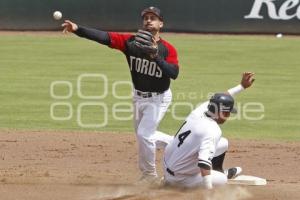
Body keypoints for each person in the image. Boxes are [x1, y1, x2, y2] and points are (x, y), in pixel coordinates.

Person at [61, 7, 180, 181]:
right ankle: (180, 144)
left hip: (159, 98)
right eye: (145, 17)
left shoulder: (167, 49)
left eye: (153, 18)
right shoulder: (130, 42)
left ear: (161, 23)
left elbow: (174, 73)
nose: (148, 20)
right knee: (143, 137)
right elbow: (104, 37)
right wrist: (78, 29)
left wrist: (155, 56)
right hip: (138, 96)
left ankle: (149, 176)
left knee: (144, 135)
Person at [161, 72, 255, 189]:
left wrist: (241, 86)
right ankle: (184, 185)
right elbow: (203, 162)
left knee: (223, 143)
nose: (228, 115)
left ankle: (215, 172)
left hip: (166, 165)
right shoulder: (212, 130)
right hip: (181, 179)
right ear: (222, 112)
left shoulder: (199, 111)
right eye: (227, 113)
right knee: (222, 180)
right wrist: (208, 191)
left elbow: (221, 97)